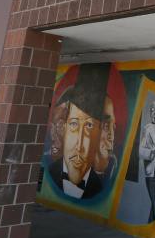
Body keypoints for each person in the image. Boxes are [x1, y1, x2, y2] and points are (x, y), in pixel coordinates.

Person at [48, 63, 114, 199]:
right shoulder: (50, 172)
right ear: (63, 129)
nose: (79, 147)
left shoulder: (99, 188)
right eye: (73, 124)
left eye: (89, 126)